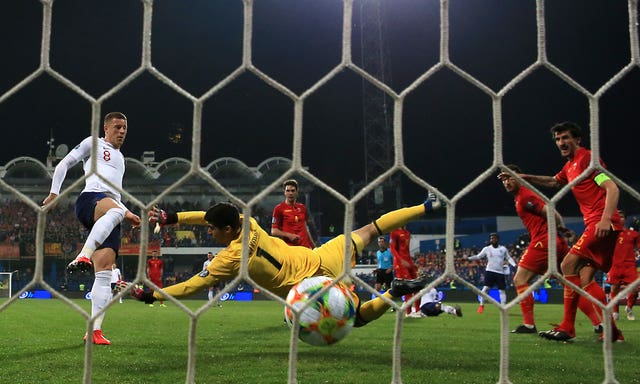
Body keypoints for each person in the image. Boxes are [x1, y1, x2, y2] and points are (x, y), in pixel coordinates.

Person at [130, 195, 443, 329]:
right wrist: (173, 218)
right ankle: (427, 206)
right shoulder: (247, 222)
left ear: (227, 230)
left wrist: (151, 295)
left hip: (314, 288)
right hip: (320, 256)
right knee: (371, 228)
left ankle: (394, 292)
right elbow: (209, 216)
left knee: (358, 318)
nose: (208, 231)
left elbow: (191, 286)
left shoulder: (230, 259)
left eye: (212, 229)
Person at [516, 121, 623, 342]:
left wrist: (604, 220)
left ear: (577, 139)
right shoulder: (570, 166)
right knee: (585, 278)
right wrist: (528, 178)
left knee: (567, 265)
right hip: (598, 224)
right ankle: (612, 331)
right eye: (557, 139)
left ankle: (567, 327)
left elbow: (612, 187)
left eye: (565, 137)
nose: (561, 142)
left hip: (602, 223)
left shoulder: (586, 159)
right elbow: (555, 182)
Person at [42, 112, 141, 345]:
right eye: (117, 127)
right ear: (106, 128)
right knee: (115, 211)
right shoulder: (93, 143)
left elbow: (116, 194)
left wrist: (127, 212)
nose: (122, 131)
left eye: (125, 127)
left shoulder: (122, 159)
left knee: (105, 272)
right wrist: (55, 192)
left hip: (111, 208)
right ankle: (83, 256)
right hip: (91, 200)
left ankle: (95, 330)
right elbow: (65, 163)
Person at [499, 164, 603, 334]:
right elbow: (552, 213)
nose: (507, 182)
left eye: (510, 177)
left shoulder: (525, 196)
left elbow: (550, 212)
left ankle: (529, 325)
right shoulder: (521, 196)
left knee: (520, 279)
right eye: (504, 179)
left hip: (543, 242)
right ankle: (598, 323)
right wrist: (562, 231)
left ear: (520, 177)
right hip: (554, 242)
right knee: (570, 285)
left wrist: (559, 228)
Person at [465, 233, 516, 314]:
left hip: (500, 272)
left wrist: (514, 264)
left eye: (494, 238)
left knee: (502, 291)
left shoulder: (503, 249)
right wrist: (468, 258)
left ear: (497, 239)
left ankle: (503, 308)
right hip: (490, 271)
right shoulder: (487, 249)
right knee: (485, 289)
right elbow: (478, 256)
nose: (492, 240)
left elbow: (508, 258)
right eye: (491, 238)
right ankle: (481, 305)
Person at [606, 213, 639, 321]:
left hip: (630, 265)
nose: (620, 218)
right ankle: (615, 312)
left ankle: (629, 308)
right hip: (615, 265)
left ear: (625, 219)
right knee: (614, 288)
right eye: (618, 216)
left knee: (636, 288)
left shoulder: (633, 234)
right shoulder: (611, 233)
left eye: (622, 216)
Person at [271, 179, 315, 248]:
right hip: (290, 249)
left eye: (293, 191)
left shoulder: (302, 207)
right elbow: (274, 231)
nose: (290, 193)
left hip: (305, 248)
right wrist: (289, 235)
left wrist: (313, 246)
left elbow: (306, 228)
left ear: (297, 192)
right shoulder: (279, 208)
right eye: (288, 191)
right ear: (284, 192)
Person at [390, 226, 421, 317]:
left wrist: (411, 262)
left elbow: (406, 250)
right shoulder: (394, 232)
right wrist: (401, 260)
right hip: (400, 264)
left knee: (418, 285)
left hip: (408, 262)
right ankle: (409, 312)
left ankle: (418, 310)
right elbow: (392, 248)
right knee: (408, 287)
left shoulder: (407, 232)